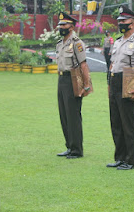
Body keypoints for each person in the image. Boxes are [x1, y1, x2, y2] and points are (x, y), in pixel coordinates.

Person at [106, 6, 134, 170]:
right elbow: (112, 65)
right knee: (116, 122)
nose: (120, 23)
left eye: (124, 21)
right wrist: (109, 86)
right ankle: (120, 157)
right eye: (119, 21)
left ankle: (131, 160)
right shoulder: (118, 42)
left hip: (129, 81)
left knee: (128, 123)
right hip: (115, 81)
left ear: (133, 23)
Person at [56, 12, 91, 159]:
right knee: (64, 115)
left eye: (64, 24)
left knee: (73, 116)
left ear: (71, 26)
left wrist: (87, 85)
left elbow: (83, 65)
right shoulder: (60, 43)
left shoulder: (77, 43)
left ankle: (77, 149)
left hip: (73, 80)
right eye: (60, 25)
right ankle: (69, 146)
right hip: (61, 80)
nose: (61, 27)